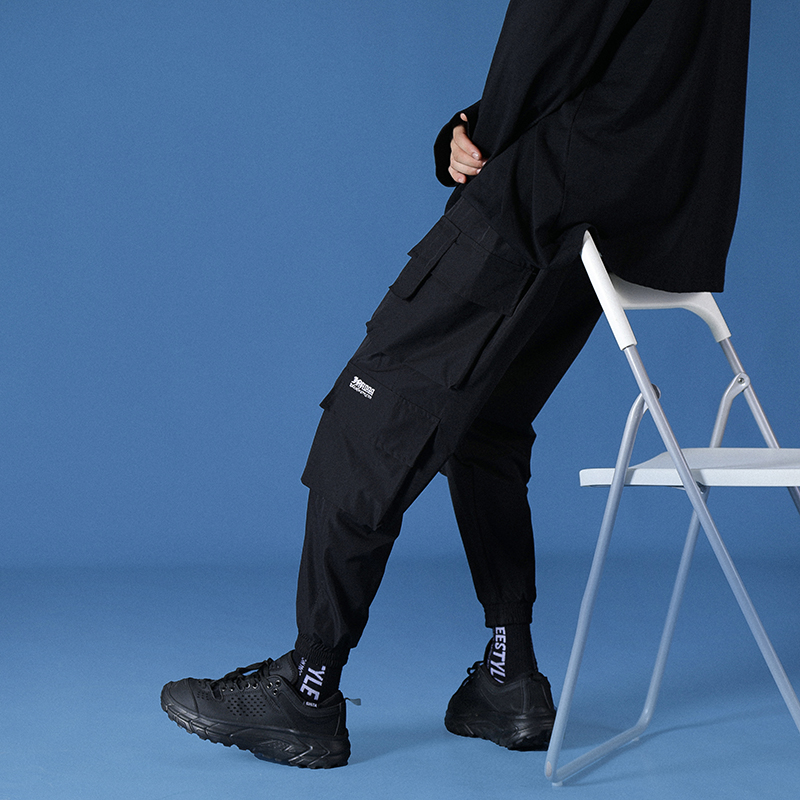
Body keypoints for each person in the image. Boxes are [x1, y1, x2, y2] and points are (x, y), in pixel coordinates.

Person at [160, 0, 751, 769]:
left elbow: (551, 31)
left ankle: (306, 690)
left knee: (365, 422)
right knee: (486, 423)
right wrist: (485, 124)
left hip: (545, 196)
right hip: (635, 211)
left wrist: (479, 135)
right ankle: (509, 678)